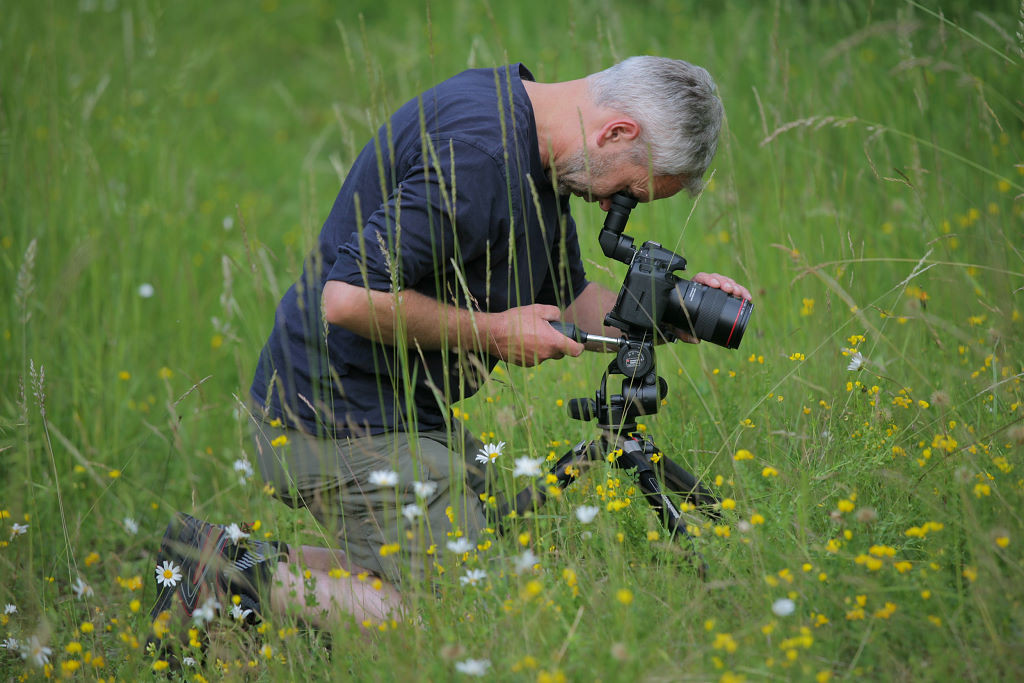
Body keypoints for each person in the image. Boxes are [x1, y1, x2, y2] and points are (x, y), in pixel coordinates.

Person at [149, 56, 751, 642]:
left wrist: (674, 316)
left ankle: (216, 559)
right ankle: (222, 577)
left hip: (393, 411)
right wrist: (494, 332)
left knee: (480, 557)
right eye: (628, 193)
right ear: (618, 132)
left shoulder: (529, 135)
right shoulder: (479, 158)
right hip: (333, 420)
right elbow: (349, 297)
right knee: (464, 616)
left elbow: (565, 297)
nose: (609, 207)